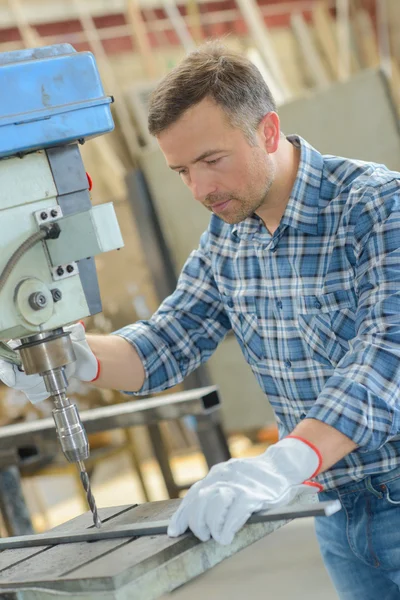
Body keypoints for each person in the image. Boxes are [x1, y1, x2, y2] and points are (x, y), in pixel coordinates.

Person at [2, 40, 400, 599]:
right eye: (182, 170)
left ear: (266, 131)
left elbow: (388, 355)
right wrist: (76, 358)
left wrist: (283, 461)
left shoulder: (377, 206)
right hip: (333, 509)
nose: (199, 189)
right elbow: (164, 345)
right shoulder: (229, 238)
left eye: (211, 161)